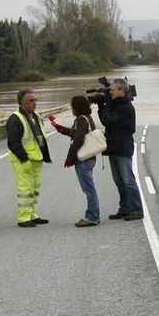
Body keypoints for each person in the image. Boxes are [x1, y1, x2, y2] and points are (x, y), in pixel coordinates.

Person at [47, 96, 101, 227]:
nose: (72, 110)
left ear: (77, 107)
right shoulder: (86, 118)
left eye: (72, 107)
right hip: (90, 157)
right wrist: (59, 128)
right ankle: (93, 215)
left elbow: (78, 139)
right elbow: (75, 133)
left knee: (89, 190)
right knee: (89, 188)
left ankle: (92, 216)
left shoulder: (81, 120)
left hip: (83, 158)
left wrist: (70, 157)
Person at [96, 78, 143, 221]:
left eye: (112, 90)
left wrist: (103, 106)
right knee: (119, 180)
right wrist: (105, 104)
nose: (110, 92)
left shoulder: (125, 107)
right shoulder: (116, 105)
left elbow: (108, 120)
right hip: (113, 145)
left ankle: (137, 210)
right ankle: (125, 208)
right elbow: (108, 119)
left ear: (121, 90)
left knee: (128, 180)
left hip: (123, 146)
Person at [5, 89, 52, 227]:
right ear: (22, 102)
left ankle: (32, 214)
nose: (34, 103)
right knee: (25, 190)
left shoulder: (35, 116)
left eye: (35, 100)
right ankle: (24, 218)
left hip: (36, 159)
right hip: (24, 160)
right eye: (31, 101)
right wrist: (24, 159)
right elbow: (13, 142)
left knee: (34, 189)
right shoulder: (15, 119)